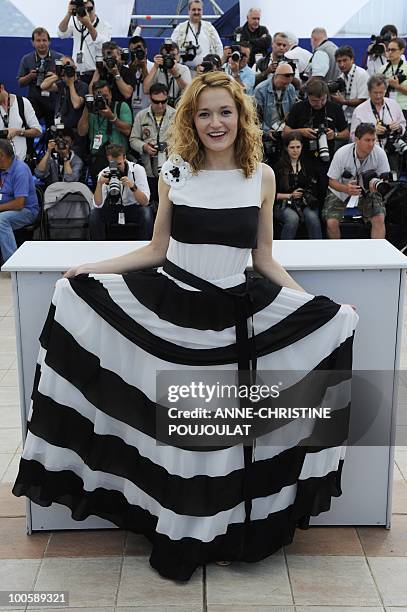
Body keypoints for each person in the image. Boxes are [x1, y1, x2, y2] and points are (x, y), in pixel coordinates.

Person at [13, 71, 358, 582]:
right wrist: (94, 270)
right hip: (174, 312)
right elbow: (156, 250)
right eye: (204, 113)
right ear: (189, 121)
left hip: (234, 316)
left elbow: (263, 256)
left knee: (217, 439)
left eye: (225, 112)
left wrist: (313, 308)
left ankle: (215, 531)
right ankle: (177, 528)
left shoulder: (261, 176)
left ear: (241, 117)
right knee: (178, 436)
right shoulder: (174, 171)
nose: (215, 122)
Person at [283, 79, 349, 201]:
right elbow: (285, 133)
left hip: (326, 159)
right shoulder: (299, 108)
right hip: (302, 158)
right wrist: (301, 131)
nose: (319, 104)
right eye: (314, 101)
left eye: (323, 100)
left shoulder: (334, 108)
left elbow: (346, 134)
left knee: (324, 193)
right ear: (308, 96)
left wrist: (334, 135)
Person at [323, 122, 388, 239]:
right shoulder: (342, 153)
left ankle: (377, 253)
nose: (371, 144)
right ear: (357, 140)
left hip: (369, 191)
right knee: (331, 222)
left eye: (374, 140)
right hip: (341, 189)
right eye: (367, 140)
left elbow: (385, 180)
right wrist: (346, 189)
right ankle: (335, 253)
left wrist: (377, 187)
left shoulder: (380, 153)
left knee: (379, 219)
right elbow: (331, 181)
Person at [89, 143, 152, 240]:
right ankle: (98, 247)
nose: (117, 168)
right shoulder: (104, 173)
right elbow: (98, 205)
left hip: (133, 208)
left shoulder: (137, 170)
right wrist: (99, 184)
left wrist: (133, 186)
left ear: (124, 158)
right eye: (113, 164)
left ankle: (145, 245)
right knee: (94, 214)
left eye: (119, 164)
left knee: (146, 212)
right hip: (114, 208)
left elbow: (145, 202)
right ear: (108, 160)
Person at [77, 80, 132, 182]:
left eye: (105, 96)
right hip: (97, 157)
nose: (102, 100)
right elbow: (81, 132)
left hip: (118, 157)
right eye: (99, 97)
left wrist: (111, 117)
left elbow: (128, 130)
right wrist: (86, 108)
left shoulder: (121, 106)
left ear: (111, 94)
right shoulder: (91, 111)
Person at [129, 84, 176, 202]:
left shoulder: (176, 115)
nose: (160, 105)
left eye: (163, 101)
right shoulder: (141, 115)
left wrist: (169, 146)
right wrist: (144, 146)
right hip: (148, 167)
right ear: (150, 98)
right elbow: (133, 139)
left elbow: (183, 139)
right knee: (152, 201)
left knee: (168, 201)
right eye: (156, 102)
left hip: (170, 167)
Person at [274, 132, 322, 239]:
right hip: (283, 203)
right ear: (286, 148)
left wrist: (305, 192)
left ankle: (318, 249)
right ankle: (285, 250)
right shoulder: (278, 167)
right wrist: (290, 195)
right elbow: (271, 194)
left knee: (312, 217)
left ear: (302, 147)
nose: (295, 150)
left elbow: (315, 187)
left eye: (298, 147)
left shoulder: (308, 164)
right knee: (292, 218)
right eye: (292, 147)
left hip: (304, 202)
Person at [0, 139, 38, 262]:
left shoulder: (20, 170)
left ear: (3, 156)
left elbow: (19, 203)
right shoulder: (2, 169)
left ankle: (13, 263)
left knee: (1, 220)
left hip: (26, 211)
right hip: (5, 208)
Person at [17, 27, 63, 128]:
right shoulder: (26, 59)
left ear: (49, 42)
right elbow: (20, 82)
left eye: (44, 40)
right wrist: (30, 76)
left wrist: (55, 77)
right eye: (38, 40)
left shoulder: (60, 58)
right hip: (34, 101)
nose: (41, 43)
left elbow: (68, 80)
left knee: (54, 132)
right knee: (27, 127)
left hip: (54, 102)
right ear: (33, 42)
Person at [58, 0, 111, 84]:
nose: (86, 12)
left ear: (94, 9)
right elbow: (61, 34)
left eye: (89, 9)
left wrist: (88, 25)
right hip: (77, 74)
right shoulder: (76, 23)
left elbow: (102, 45)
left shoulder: (104, 25)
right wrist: (69, 13)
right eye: (84, 9)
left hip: (95, 74)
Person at [254, 63, 296, 165]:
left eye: (288, 83)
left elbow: (293, 111)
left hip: (285, 132)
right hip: (267, 134)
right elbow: (256, 118)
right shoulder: (260, 90)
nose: (286, 86)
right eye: (284, 83)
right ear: (276, 76)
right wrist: (266, 132)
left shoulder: (290, 88)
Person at [350, 75, 406, 145]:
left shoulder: (394, 105)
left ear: (385, 91)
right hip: (370, 151)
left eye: (381, 92)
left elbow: (403, 124)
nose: (378, 96)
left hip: (392, 149)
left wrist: (399, 127)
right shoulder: (359, 111)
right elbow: (353, 136)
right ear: (369, 92)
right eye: (375, 93)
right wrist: (371, 133)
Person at [171, 0, 223, 71]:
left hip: (207, 71)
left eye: (199, 10)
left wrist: (216, 65)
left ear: (202, 11)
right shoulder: (180, 28)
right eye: (193, 10)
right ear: (189, 11)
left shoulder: (209, 27)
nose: (196, 12)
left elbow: (219, 47)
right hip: (186, 71)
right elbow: (172, 48)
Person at [40, 56, 88, 129]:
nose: (66, 69)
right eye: (63, 67)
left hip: (74, 130)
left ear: (74, 68)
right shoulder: (61, 84)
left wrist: (71, 83)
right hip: (60, 126)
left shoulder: (82, 85)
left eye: (68, 67)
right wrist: (58, 74)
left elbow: (76, 104)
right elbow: (43, 86)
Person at [0, 82, 42, 163]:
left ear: (1, 88)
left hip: (21, 163)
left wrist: (18, 132)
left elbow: (38, 131)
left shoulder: (22, 102)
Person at [143, 40, 191, 108]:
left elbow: (188, 91)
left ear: (178, 56)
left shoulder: (184, 69)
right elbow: (146, 89)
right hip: (160, 106)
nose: (170, 58)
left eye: (173, 55)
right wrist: (155, 67)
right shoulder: (157, 69)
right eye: (167, 56)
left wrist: (176, 75)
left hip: (178, 107)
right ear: (161, 56)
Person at [331, 46, 369, 128]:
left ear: (352, 59)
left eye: (345, 60)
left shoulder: (362, 74)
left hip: (361, 120)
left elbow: (363, 100)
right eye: (339, 61)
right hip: (346, 119)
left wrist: (343, 101)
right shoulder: (340, 77)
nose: (342, 64)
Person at [379, 38, 407, 120]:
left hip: (403, 107)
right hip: (385, 108)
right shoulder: (382, 69)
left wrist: (397, 86)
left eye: (393, 50)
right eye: (388, 50)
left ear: (402, 51)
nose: (390, 53)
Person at [128, 35, 154, 118]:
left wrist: (143, 67)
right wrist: (132, 68)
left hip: (149, 110)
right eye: (133, 52)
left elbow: (150, 89)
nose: (136, 54)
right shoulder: (126, 68)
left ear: (145, 51)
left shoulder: (154, 67)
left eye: (139, 51)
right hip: (130, 111)